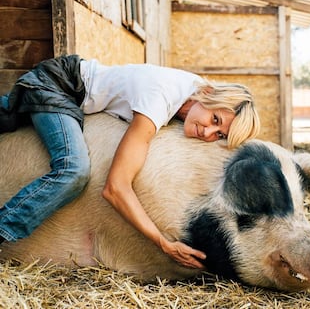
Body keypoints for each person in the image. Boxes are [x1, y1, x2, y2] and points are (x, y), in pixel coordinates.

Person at [0, 55, 260, 269]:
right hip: (57, 85)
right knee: (73, 169)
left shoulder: (196, 95)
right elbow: (115, 187)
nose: (207, 133)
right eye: (215, 120)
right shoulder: (159, 99)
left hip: (72, 95)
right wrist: (163, 242)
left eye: (220, 135)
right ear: (206, 93)